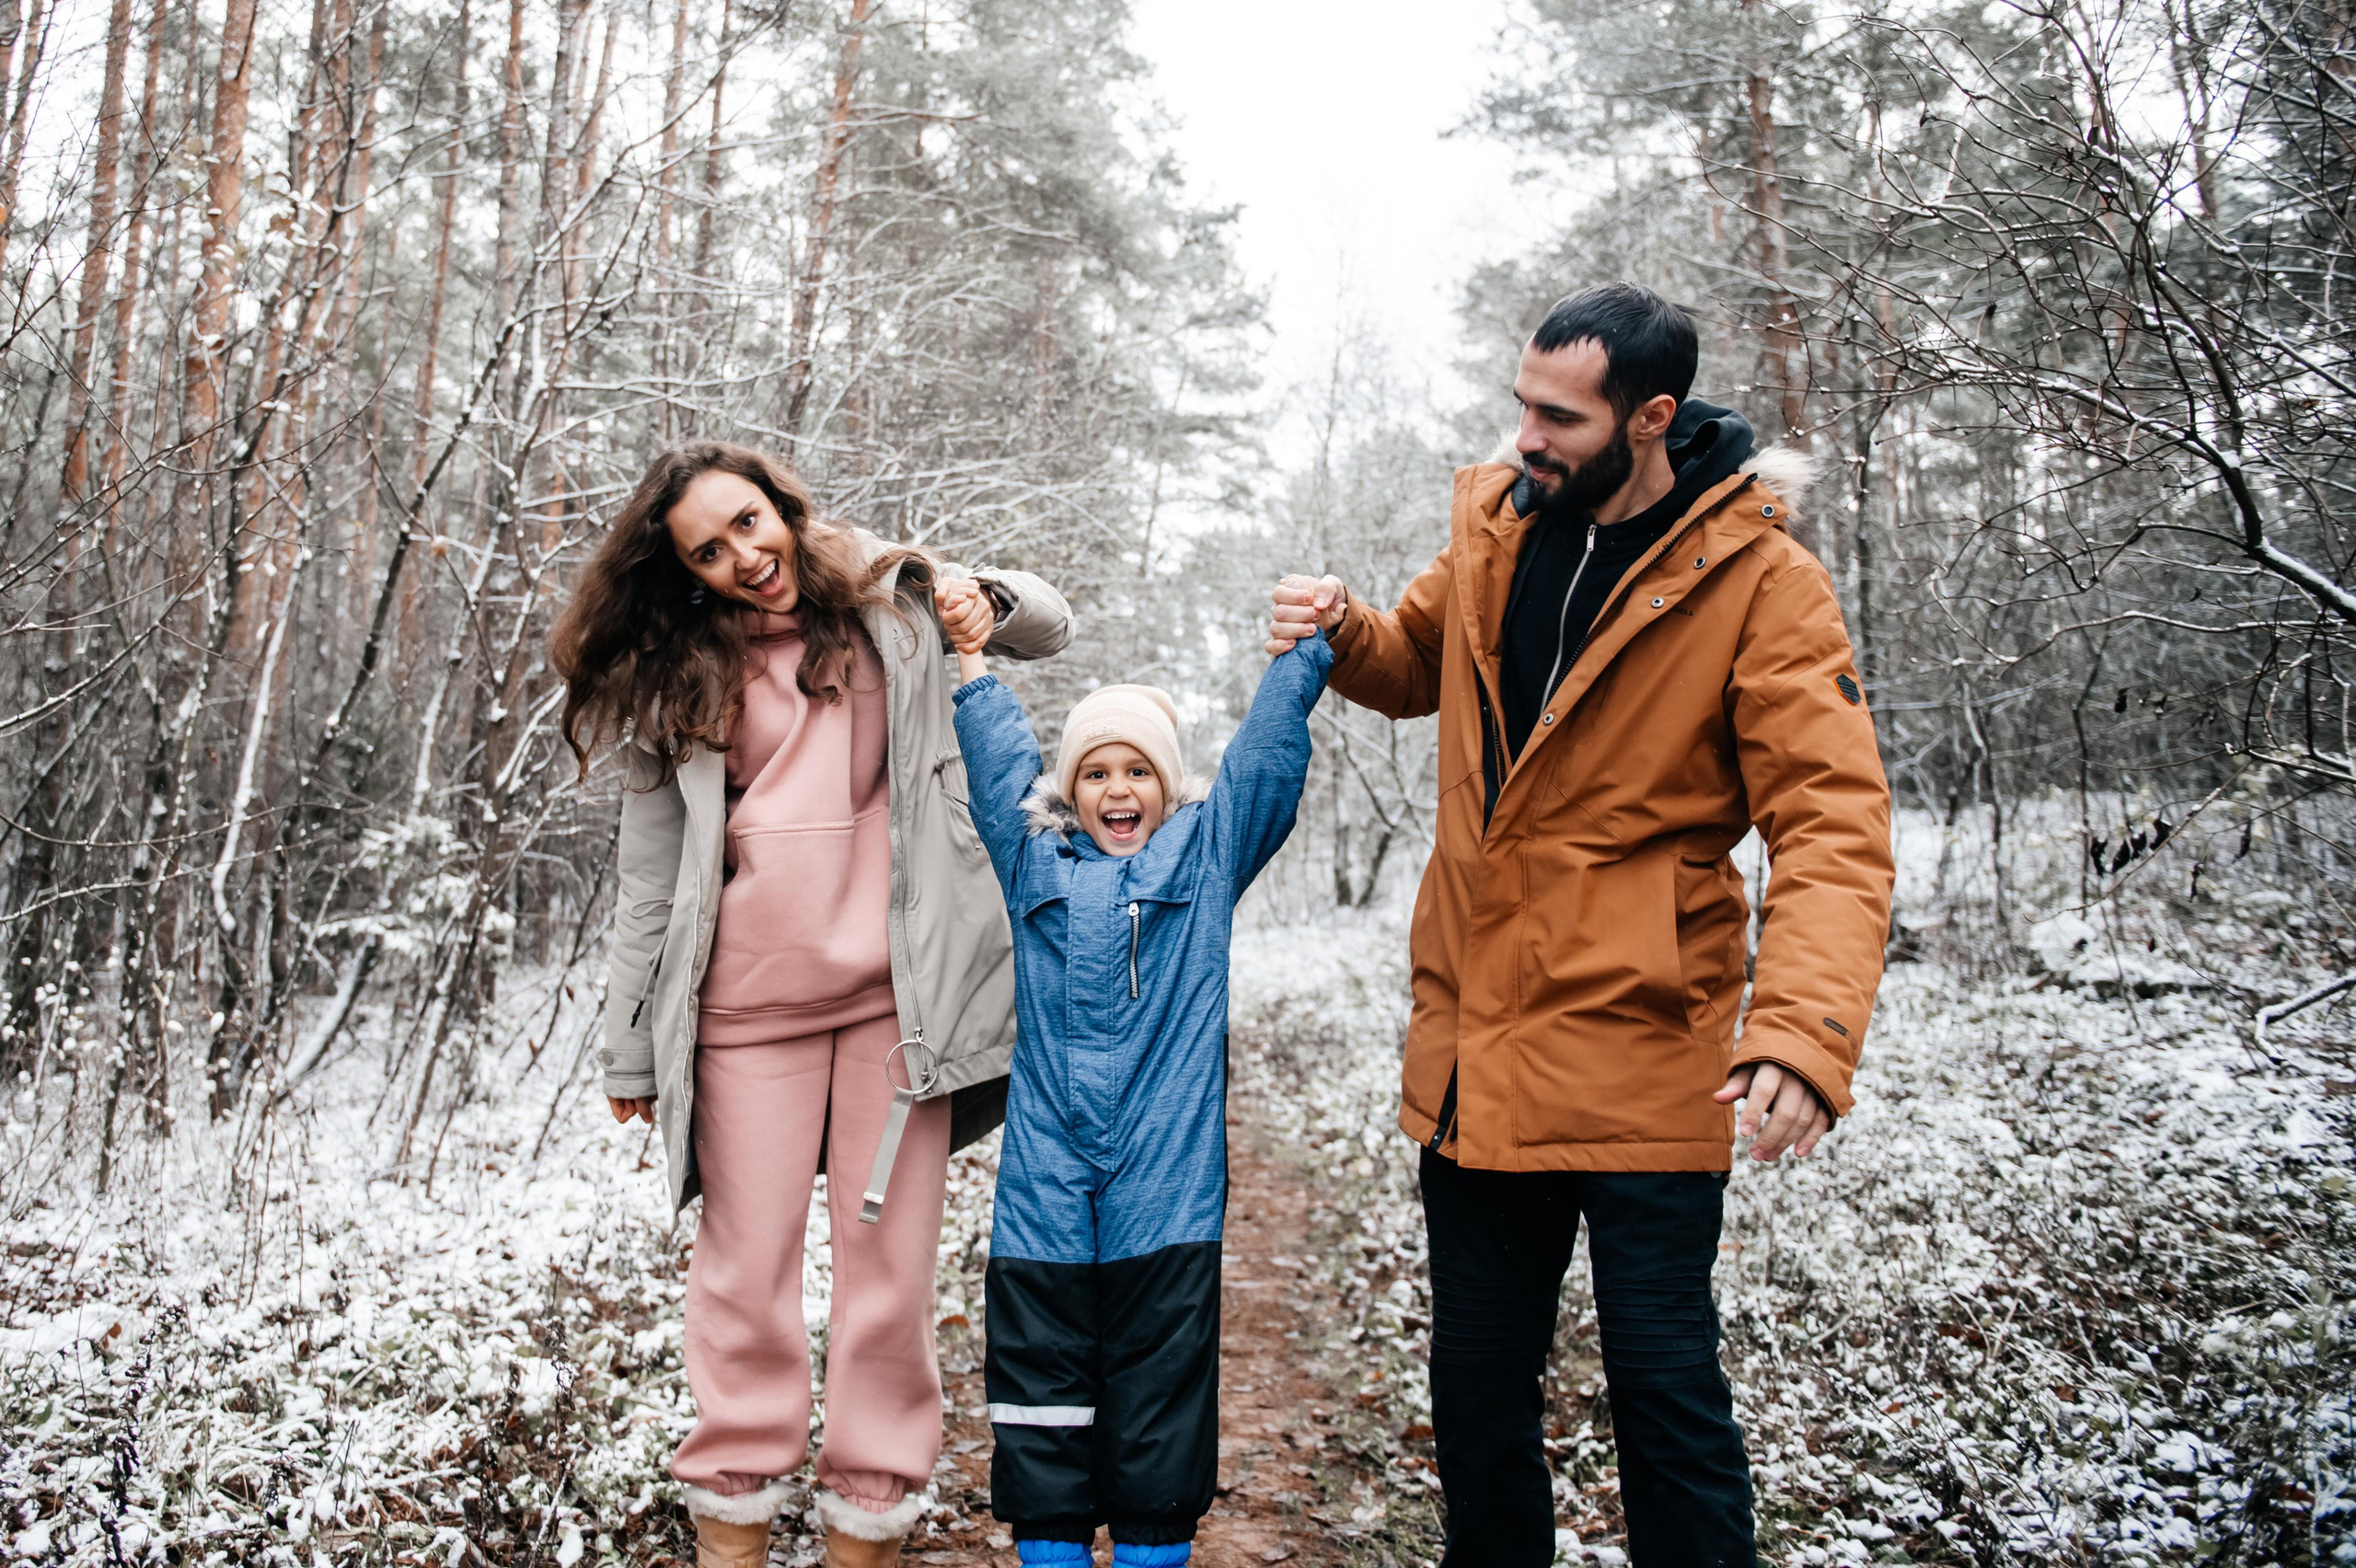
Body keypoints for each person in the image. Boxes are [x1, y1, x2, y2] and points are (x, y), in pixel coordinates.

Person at [1264, 283, 1896, 1567]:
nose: (1526, 437)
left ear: (1651, 418)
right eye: (1522, 406)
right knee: (1475, 1392)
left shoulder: (1763, 583)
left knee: (1665, 1399)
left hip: (1647, 1049)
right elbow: (1412, 664)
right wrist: (1339, 631)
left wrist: (1803, 1032)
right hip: (1480, 1045)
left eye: (1560, 417)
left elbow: (1832, 822)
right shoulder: (1501, 527)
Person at [550, 443, 1073, 1568]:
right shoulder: (678, 674)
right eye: (709, 551)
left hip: (901, 1011)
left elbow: (1048, 624)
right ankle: (732, 1523)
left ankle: (866, 1526)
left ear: (781, 506)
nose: (744, 557)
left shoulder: (890, 602)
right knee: (744, 1275)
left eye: (749, 523)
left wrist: (988, 597)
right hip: (744, 1019)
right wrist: (630, 1050)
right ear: (685, 573)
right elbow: (651, 880)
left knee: (888, 1279)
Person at [939, 588, 1333, 1566]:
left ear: (1168, 785)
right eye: (1097, 772)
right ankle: (1053, 1551)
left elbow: (1264, 764)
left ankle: (1155, 1549)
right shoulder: (1033, 862)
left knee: (1159, 1383)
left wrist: (1302, 656)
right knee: (1041, 1373)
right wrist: (971, 658)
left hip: (1167, 1173)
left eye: (1139, 771)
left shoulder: (1205, 858)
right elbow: (997, 768)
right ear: (1070, 791)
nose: (1119, 790)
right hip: (1045, 1171)